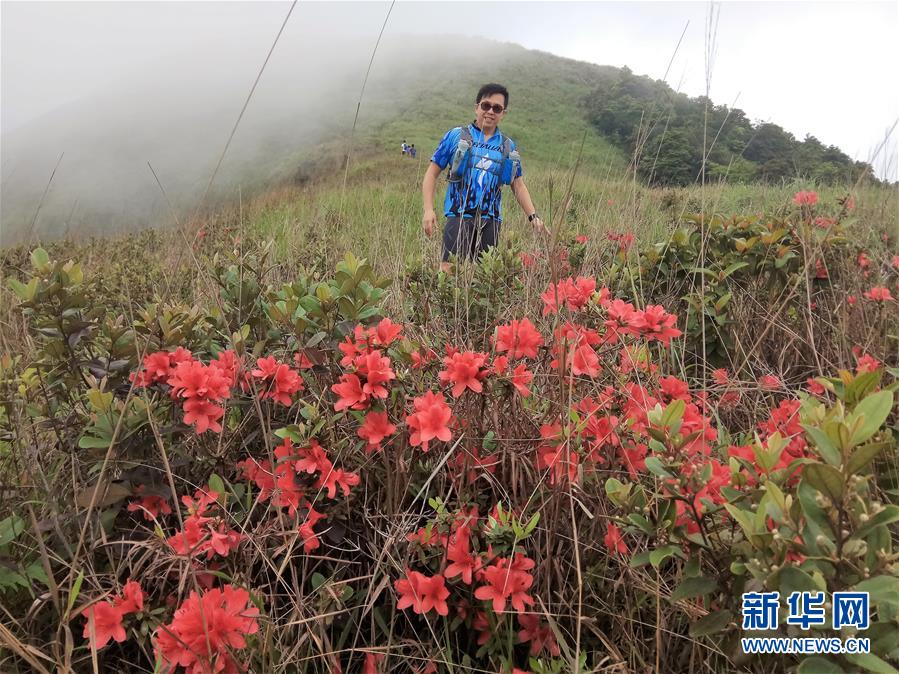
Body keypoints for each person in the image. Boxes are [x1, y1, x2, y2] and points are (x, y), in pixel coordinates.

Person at [422, 83, 544, 272]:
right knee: (448, 274)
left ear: (503, 113)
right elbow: (431, 173)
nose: (490, 112)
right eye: (486, 105)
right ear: (476, 107)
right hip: (459, 215)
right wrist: (428, 209)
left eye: (497, 108)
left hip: (491, 222)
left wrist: (533, 217)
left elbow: (518, 185)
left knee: (484, 281)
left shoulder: (508, 146)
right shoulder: (456, 136)